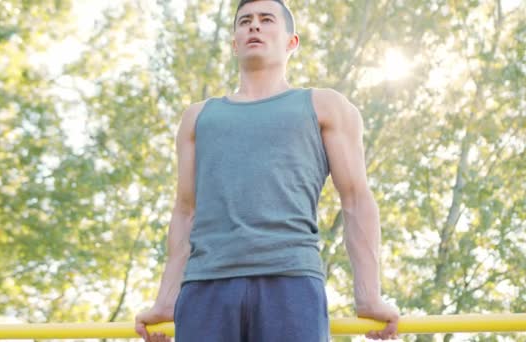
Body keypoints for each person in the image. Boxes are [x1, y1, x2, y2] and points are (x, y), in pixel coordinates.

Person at [135, 1, 400, 341]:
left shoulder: (325, 106)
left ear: (292, 42)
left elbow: (356, 199)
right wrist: (165, 301)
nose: (254, 26)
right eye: (245, 21)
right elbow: (185, 210)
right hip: (206, 285)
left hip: (290, 282)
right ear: (234, 44)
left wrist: (368, 296)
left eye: (266, 20)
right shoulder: (199, 117)